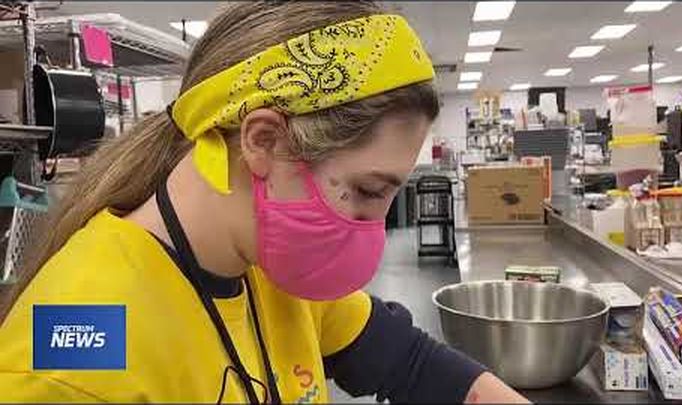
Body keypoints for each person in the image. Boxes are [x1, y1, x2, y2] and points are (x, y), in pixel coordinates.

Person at [0, 2, 529, 403]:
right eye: (368, 192)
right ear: (264, 141)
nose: (375, 226)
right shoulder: (80, 348)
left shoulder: (273, 264)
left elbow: (409, 361)